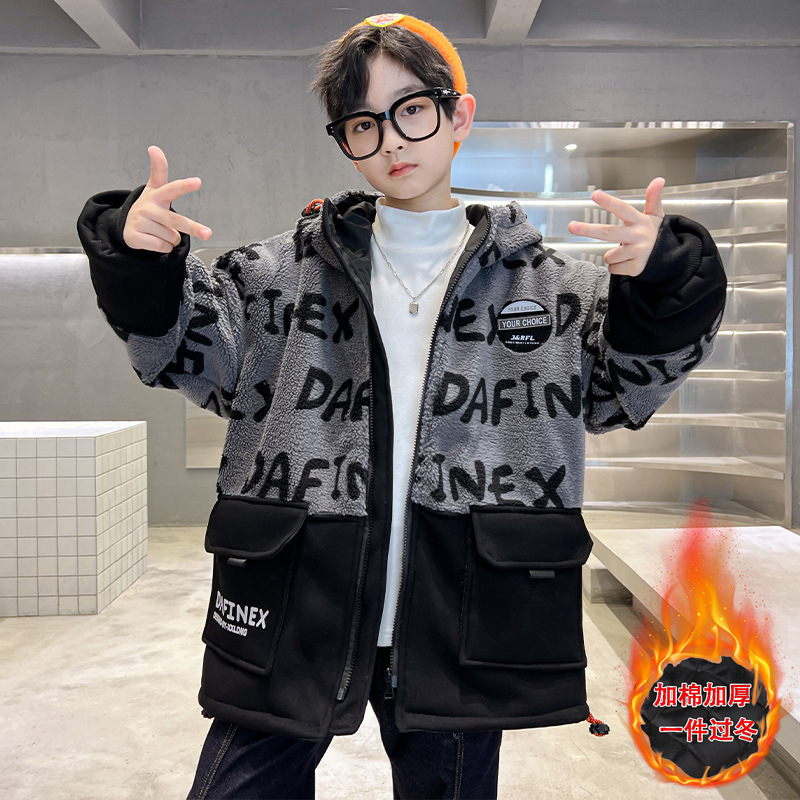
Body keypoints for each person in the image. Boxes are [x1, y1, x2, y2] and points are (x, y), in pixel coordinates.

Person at [76, 11, 727, 800]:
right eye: (363, 123)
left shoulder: (549, 287)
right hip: (297, 597)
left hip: (462, 610)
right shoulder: (277, 276)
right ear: (345, 141)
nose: (390, 140)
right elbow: (185, 350)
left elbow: (622, 390)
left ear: (459, 115)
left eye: (411, 109)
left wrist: (666, 287)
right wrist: (137, 260)